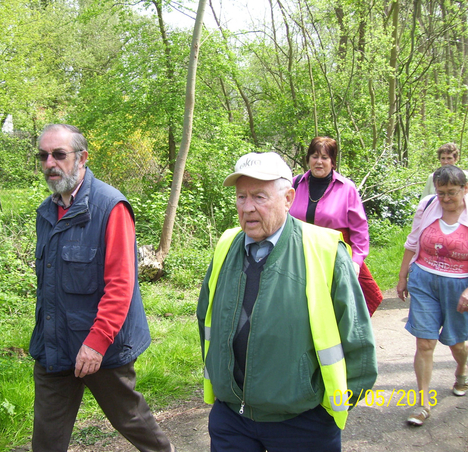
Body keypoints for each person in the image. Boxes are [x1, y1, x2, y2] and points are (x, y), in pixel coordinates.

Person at [197, 152, 378, 452]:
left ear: (288, 198)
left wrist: (330, 411)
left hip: (304, 423)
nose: (248, 207)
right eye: (241, 197)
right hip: (231, 419)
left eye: (259, 196)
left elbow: (358, 343)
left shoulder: (325, 250)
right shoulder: (226, 245)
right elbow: (205, 320)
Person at [29, 124, 175, 452]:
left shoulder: (111, 207)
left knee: (132, 420)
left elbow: (121, 284)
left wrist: (96, 343)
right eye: (43, 155)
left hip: (101, 345)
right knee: (46, 440)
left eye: (59, 154)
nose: (50, 162)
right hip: (55, 344)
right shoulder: (46, 211)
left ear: (82, 158)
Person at [397, 164, 468, 427]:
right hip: (424, 280)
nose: (446, 199)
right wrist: (403, 276)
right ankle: (423, 404)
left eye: (452, 192)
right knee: (425, 343)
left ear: (465, 189)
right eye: (441, 193)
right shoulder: (428, 206)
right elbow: (412, 241)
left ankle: (462, 369)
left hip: (459, 286)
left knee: (456, 343)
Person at [289, 137, 383, 316]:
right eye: (314, 156)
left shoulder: (347, 188)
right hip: (300, 255)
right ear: (308, 159)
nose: (319, 162)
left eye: (325, 157)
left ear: (332, 162)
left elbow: (359, 230)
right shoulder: (295, 184)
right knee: (303, 307)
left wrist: (356, 261)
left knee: (336, 309)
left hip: (333, 257)